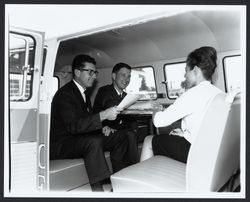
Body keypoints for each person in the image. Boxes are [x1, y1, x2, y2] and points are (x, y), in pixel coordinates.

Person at [50, 55, 129, 192]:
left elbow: (86, 119)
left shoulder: (84, 93)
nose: (94, 76)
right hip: (62, 143)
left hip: (78, 138)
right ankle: (98, 191)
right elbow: (73, 126)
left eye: (95, 72)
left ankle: (119, 181)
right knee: (93, 142)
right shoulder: (65, 94)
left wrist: (103, 126)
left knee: (120, 136)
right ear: (77, 72)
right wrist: (103, 115)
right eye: (90, 72)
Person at [143, 46, 225, 163]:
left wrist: (156, 109)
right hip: (212, 151)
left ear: (196, 70)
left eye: (186, 70)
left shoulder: (192, 94)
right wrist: (185, 134)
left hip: (196, 153)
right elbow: (206, 126)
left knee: (148, 140)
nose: (185, 75)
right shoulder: (219, 93)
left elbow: (158, 122)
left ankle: (141, 178)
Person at [93, 63, 139, 165]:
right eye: (123, 75)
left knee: (132, 131)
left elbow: (130, 117)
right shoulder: (104, 91)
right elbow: (112, 105)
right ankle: (132, 168)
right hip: (104, 130)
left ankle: (131, 168)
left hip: (120, 129)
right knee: (128, 134)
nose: (126, 79)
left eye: (129, 76)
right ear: (114, 76)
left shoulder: (125, 95)